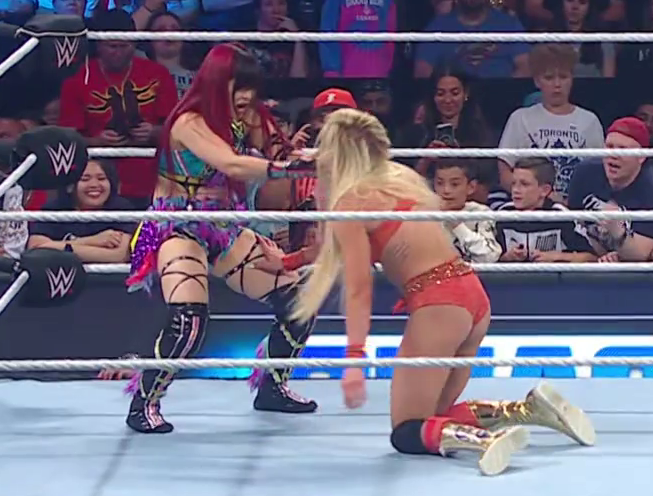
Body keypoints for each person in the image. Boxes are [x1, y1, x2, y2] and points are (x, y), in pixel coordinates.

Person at [291, 109, 595, 474]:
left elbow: (358, 289)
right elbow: (335, 251)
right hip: (471, 294)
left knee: (406, 431)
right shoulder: (401, 178)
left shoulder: (351, 204)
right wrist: (289, 260)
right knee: (432, 418)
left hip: (438, 303)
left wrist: (355, 359)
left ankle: (485, 440)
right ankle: (527, 410)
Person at [119, 44, 314, 435]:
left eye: (250, 87)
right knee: (189, 321)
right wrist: (287, 169)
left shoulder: (248, 115)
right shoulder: (188, 123)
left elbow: (277, 147)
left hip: (222, 225)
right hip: (177, 226)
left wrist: (303, 155)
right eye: (238, 86)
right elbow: (232, 163)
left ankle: (273, 385)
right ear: (216, 82)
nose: (246, 96)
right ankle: (145, 402)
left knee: (299, 303)